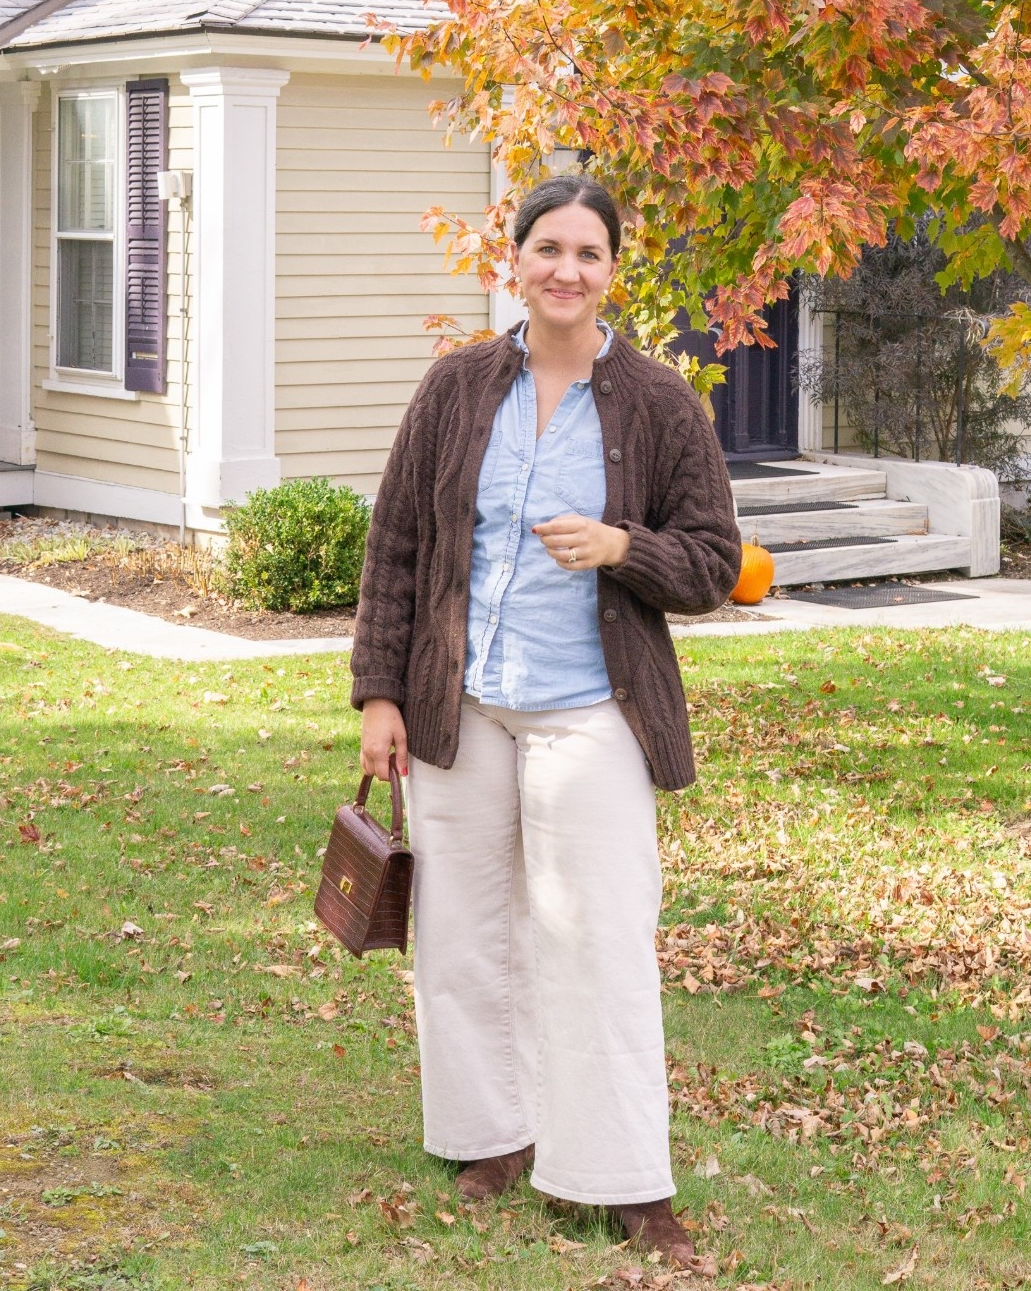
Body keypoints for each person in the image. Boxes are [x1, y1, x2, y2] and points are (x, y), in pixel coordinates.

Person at [350, 175, 743, 1266]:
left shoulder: (660, 402)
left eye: (588, 252)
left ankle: (623, 1180)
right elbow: (397, 545)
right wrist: (381, 691)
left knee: (599, 941)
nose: (566, 269)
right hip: (460, 707)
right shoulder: (455, 386)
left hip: (589, 711)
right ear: (514, 260)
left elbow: (712, 561)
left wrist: (623, 547)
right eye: (548, 248)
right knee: (463, 938)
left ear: (613, 270)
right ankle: (491, 1137)